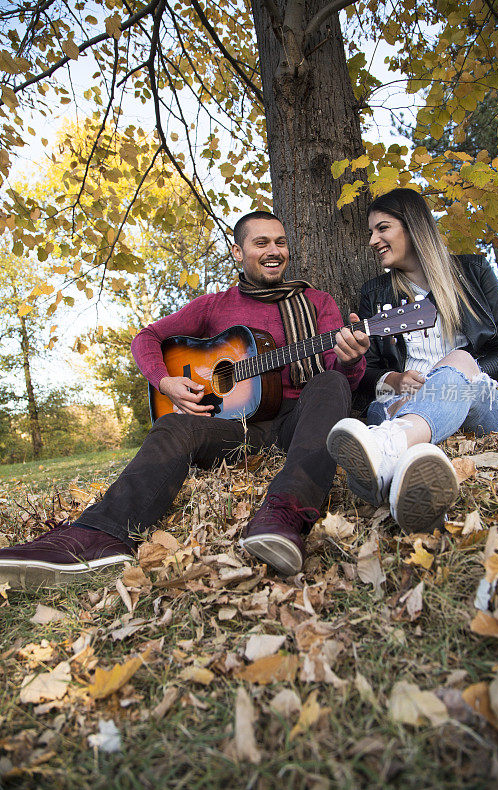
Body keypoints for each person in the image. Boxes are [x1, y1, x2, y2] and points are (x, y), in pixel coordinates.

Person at [0, 212, 369, 588]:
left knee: (331, 384)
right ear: (238, 252)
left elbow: (339, 374)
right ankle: (101, 535)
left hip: (300, 422)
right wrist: (167, 383)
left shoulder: (316, 302)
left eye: (280, 242)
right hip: (237, 428)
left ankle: (285, 514)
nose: (274, 251)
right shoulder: (213, 306)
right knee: (173, 424)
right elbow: (146, 338)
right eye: (262, 243)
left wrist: (350, 360)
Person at [327, 188, 498, 533]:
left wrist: (455, 372)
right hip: (402, 401)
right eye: (371, 232)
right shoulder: (376, 293)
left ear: (413, 226)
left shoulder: (473, 270)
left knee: (460, 358)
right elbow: (369, 371)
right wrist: (394, 379)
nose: (373, 240)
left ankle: (387, 446)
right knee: (384, 407)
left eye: (382, 228)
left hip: (475, 398)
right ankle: (408, 473)